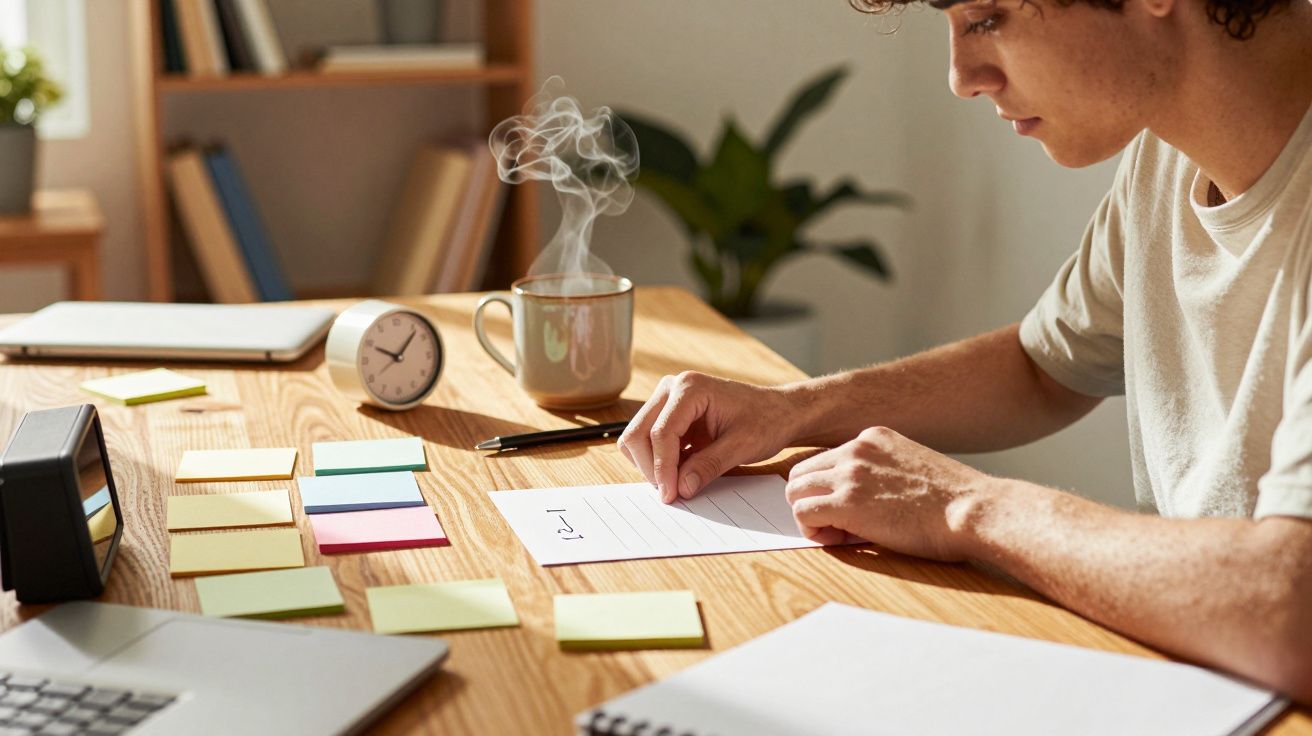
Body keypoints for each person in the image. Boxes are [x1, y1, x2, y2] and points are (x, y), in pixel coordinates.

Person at [617, 0, 1312, 701]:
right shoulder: (1167, 156)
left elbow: (1292, 610)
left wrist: (964, 508)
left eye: (987, 17)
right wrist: (792, 410)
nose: (960, 75)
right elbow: (1042, 369)